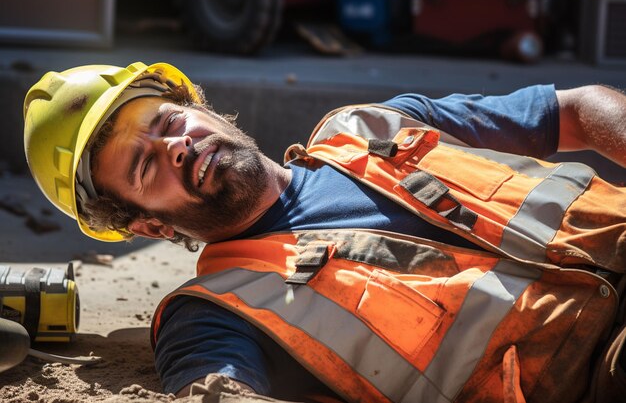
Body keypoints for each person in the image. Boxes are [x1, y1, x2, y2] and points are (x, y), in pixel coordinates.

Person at [23, 62, 626, 403]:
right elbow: (216, 389)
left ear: (198, 104)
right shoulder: (216, 313)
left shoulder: (370, 127)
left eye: (168, 121)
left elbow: (578, 109)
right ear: (147, 222)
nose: (176, 146)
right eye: (145, 165)